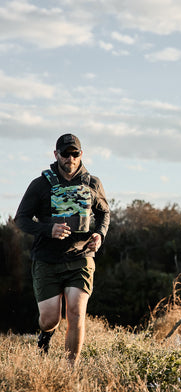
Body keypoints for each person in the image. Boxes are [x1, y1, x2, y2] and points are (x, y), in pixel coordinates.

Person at [15, 133, 110, 365]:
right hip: (47, 259)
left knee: (76, 313)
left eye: (74, 153)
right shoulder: (40, 185)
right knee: (49, 319)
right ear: (56, 154)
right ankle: (46, 335)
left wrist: (99, 233)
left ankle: (70, 370)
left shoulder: (93, 183)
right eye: (65, 153)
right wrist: (49, 230)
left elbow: (104, 213)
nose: (70, 158)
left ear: (80, 155)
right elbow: (21, 219)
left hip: (81, 257)